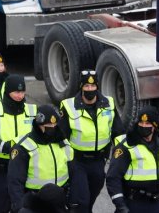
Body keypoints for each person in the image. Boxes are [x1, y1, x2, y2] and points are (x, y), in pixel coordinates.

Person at [59, 70, 125, 213]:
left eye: (93, 86)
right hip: (77, 161)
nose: (90, 90)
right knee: (81, 200)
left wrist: (121, 154)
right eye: (86, 87)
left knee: (91, 196)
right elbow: (61, 137)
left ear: (97, 87)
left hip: (99, 161)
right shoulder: (69, 106)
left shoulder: (109, 104)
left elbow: (118, 132)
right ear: (81, 87)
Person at [0, 74, 37, 213]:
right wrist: (6, 147)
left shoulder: (32, 111)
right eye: (16, 92)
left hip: (23, 169)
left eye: (22, 92)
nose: (20, 96)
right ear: (7, 91)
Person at [106, 106, 159, 213]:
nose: (143, 126)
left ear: (154, 126)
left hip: (156, 203)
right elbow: (113, 177)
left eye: (147, 124)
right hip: (133, 203)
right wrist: (120, 204)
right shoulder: (126, 146)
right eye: (141, 123)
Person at [8, 104, 73, 213]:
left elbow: (73, 171)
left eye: (54, 125)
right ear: (38, 125)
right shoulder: (24, 147)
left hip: (59, 201)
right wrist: (19, 208)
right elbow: (15, 182)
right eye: (47, 126)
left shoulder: (63, 142)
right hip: (34, 203)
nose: (51, 129)